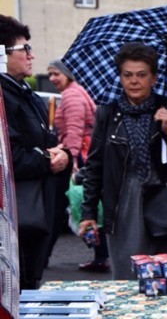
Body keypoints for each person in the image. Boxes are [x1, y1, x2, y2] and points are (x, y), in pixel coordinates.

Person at [79, 42, 167, 280]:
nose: (134, 81)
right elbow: (95, 166)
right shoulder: (107, 113)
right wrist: (88, 212)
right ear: (120, 77)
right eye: (127, 75)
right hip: (124, 201)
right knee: (128, 275)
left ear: (154, 78)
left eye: (141, 75)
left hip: (165, 199)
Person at [1, 15, 73, 289]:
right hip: (15, 219)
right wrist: (46, 160)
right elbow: (8, 157)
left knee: (31, 283)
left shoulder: (27, 95)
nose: (32, 55)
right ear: (2, 54)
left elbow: (49, 142)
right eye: (24, 49)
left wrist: (62, 155)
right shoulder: (3, 98)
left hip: (37, 214)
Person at [47, 58, 110, 273]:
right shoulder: (76, 91)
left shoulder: (72, 95)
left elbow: (73, 131)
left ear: (68, 74)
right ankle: (101, 255)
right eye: (50, 75)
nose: (52, 79)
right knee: (88, 205)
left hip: (78, 157)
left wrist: (71, 160)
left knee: (78, 206)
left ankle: (100, 255)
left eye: (56, 74)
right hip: (84, 153)